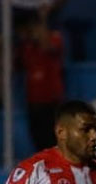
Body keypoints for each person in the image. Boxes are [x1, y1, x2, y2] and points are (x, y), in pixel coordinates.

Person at [18, 6, 64, 151]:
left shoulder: (55, 38)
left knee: (53, 140)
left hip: (52, 99)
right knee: (38, 138)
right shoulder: (27, 46)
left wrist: (42, 19)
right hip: (33, 100)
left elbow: (47, 47)